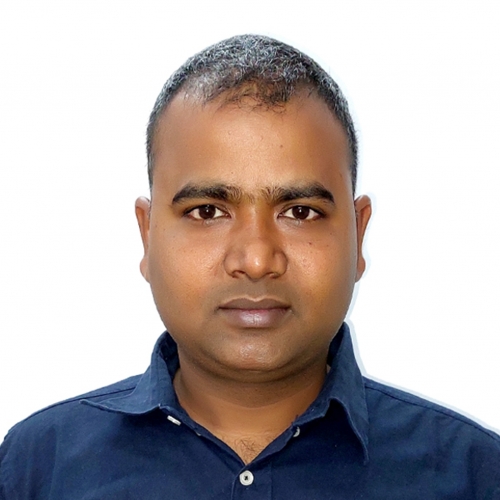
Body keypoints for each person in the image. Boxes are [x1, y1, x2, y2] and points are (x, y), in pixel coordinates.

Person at [1, 34, 499, 499]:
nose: (257, 260)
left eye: (299, 212)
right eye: (207, 212)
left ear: (358, 233)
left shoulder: (474, 475)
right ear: (147, 234)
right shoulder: (36, 470)